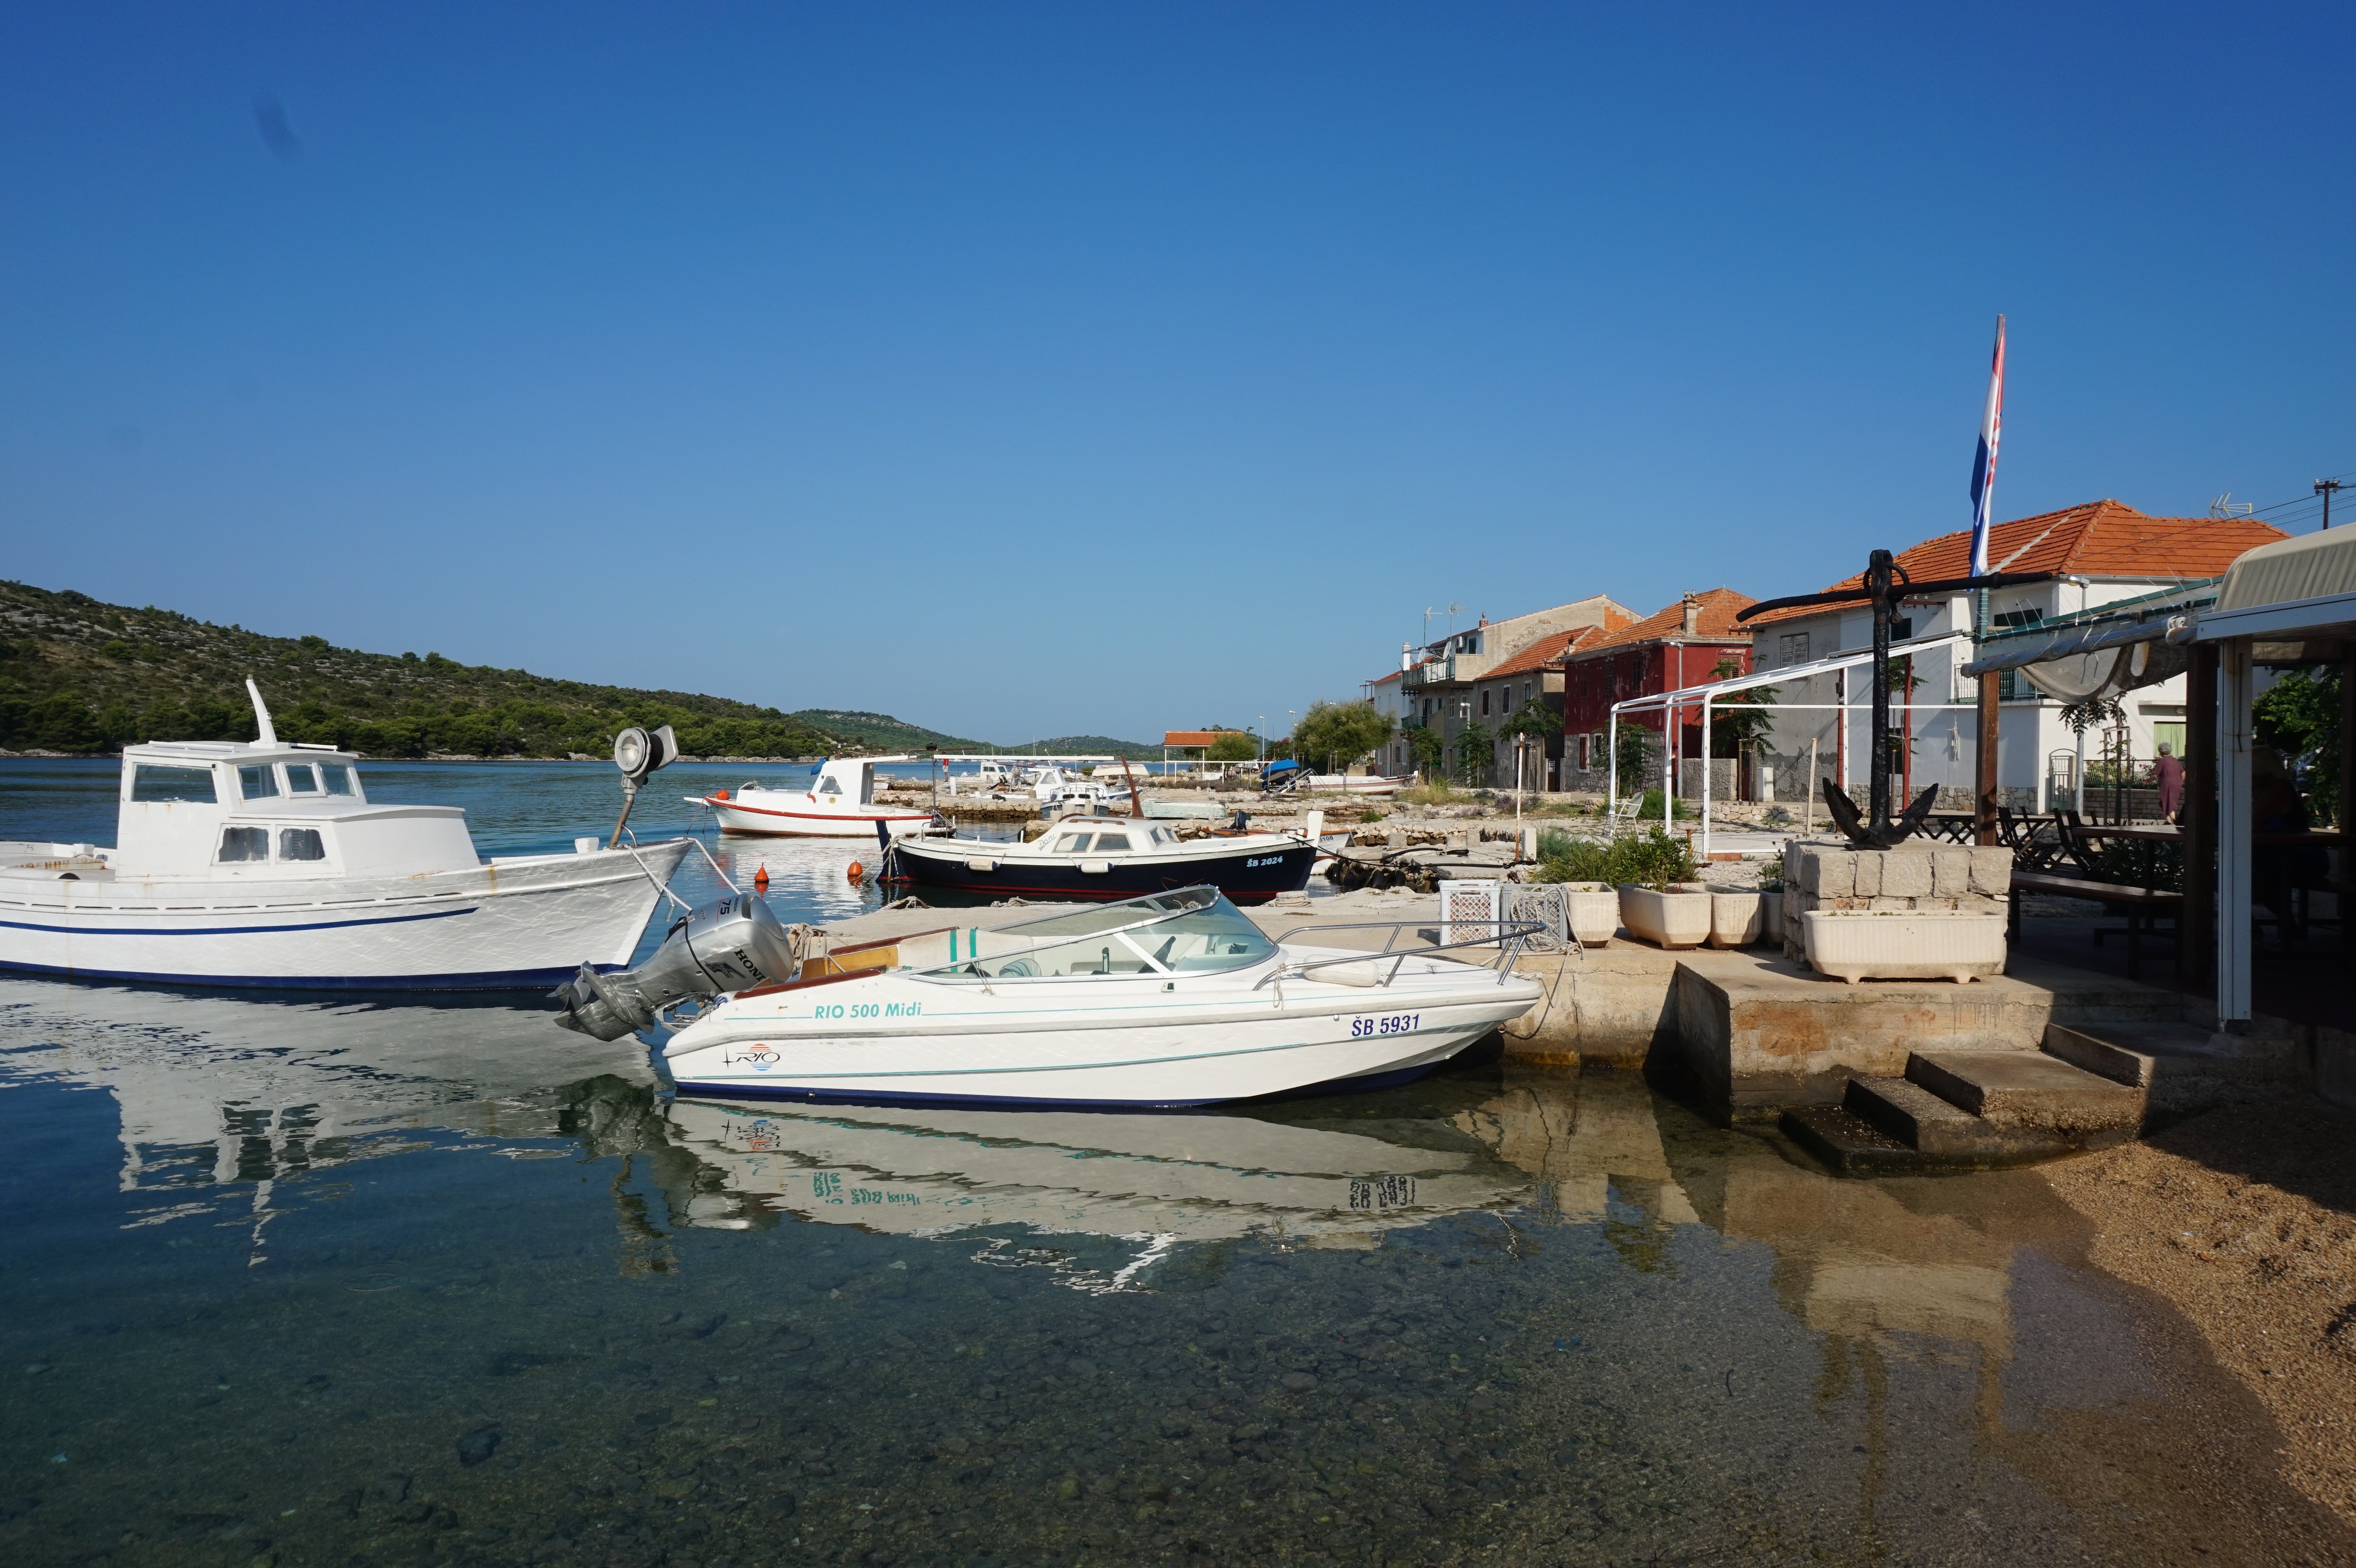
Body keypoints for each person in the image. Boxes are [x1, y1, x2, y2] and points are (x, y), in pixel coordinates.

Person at [2154, 740, 2185, 821]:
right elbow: (2184, 774)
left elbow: (2155, 775)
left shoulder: (2162, 761)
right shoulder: (2176, 761)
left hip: (2167, 786)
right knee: (2167, 804)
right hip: (2177, 785)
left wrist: (2146, 782)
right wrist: (2181, 783)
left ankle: (2174, 823)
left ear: (2160, 752)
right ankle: (2170, 822)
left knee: (2169, 805)